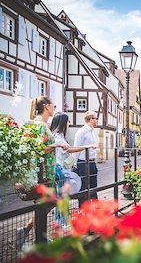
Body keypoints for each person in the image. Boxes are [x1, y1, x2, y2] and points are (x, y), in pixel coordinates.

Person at [15, 96, 67, 250]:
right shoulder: (39, 125)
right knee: (49, 203)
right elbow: (38, 149)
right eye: (53, 105)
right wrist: (56, 144)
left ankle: (33, 235)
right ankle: (38, 239)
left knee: (45, 204)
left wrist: (55, 145)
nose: (54, 108)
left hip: (47, 173)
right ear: (46, 106)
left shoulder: (43, 124)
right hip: (43, 174)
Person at [50, 112, 95, 227]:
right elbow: (71, 150)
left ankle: (61, 224)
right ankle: (61, 226)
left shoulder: (54, 135)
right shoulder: (58, 137)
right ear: (63, 123)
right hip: (60, 170)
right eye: (67, 121)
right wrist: (87, 147)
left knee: (60, 198)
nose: (69, 124)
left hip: (58, 168)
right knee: (62, 198)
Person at [74, 110, 98, 207]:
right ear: (90, 119)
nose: (97, 120)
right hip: (83, 163)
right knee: (84, 188)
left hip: (92, 162)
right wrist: (75, 164)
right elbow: (76, 148)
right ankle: (83, 211)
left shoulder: (93, 132)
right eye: (96, 118)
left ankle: (96, 211)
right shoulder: (81, 132)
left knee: (94, 186)